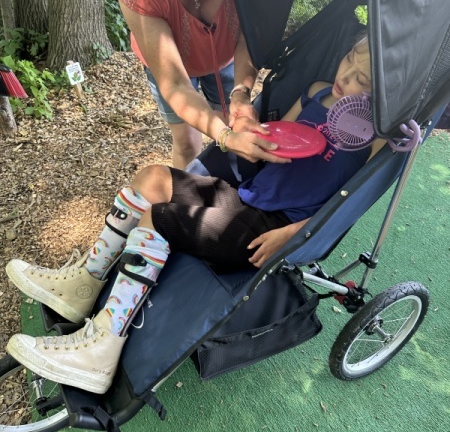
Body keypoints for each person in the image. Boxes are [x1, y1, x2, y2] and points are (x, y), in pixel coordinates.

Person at [5, 35, 384, 395]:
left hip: (274, 229)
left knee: (160, 218)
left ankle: (101, 348)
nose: (346, 76)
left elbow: (350, 203)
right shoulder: (317, 91)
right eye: (349, 58)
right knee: (152, 178)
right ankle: (85, 285)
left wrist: (297, 235)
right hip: (247, 197)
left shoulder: (378, 135)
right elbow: (276, 137)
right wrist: (248, 133)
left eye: (362, 80)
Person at [111, 0, 284, 169]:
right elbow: (175, 84)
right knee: (187, 143)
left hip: (228, 53)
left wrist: (241, 92)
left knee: (233, 122)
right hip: (171, 62)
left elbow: (249, 33)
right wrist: (225, 137)